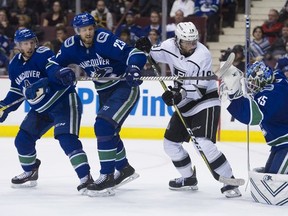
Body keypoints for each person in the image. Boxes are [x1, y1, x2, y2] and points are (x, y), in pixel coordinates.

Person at [136, 22, 242, 198]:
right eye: (187, 42)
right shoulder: (169, 45)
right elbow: (153, 55)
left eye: (194, 41)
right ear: (177, 40)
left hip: (205, 99)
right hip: (184, 102)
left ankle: (229, 182)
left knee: (204, 143)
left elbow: (199, 91)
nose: (192, 45)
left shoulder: (203, 55)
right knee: (170, 144)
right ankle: (188, 178)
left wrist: (177, 94)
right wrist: (145, 48)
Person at [45, 12, 147, 197]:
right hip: (104, 91)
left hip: (124, 87)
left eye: (90, 28)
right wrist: (59, 72)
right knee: (109, 130)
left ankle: (107, 176)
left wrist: (134, 67)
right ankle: (124, 168)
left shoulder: (104, 39)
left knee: (103, 125)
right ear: (77, 31)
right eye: (84, 30)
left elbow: (134, 53)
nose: (88, 33)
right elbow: (51, 64)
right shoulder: (70, 46)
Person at [0, 28, 93, 194]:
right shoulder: (14, 65)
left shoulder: (43, 53)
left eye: (31, 42)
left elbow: (52, 70)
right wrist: (4, 106)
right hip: (41, 110)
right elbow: (16, 91)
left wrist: (58, 75)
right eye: (25, 44)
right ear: (18, 46)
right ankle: (30, 171)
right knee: (22, 140)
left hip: (63, 103)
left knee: (67, 139)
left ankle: (86, 178)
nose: (29, 46)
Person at [216, 60, 288, 205]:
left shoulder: (274, 93)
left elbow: (251, 116)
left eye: (254, 82)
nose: (250, 86)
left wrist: (234, 94)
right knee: (268, 176)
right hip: (280, 145)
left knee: (275, 184)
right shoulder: (275, 79)